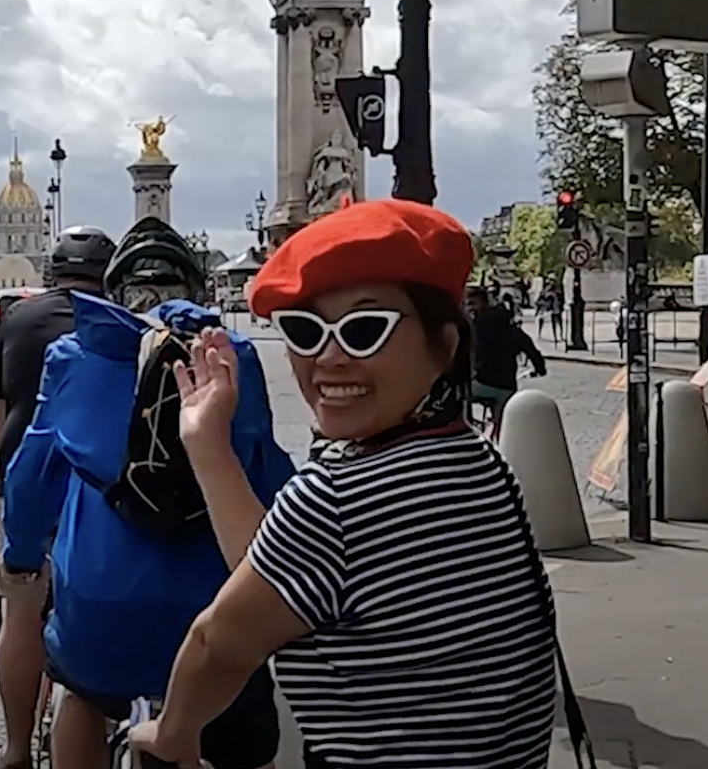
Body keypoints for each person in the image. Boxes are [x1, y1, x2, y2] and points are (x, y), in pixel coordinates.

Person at [124, 200, 582, 769]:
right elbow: (280, 578)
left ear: (445, 344)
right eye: (304, 329)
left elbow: (220, 641)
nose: (330, 358)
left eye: (366, 329)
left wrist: (173, 733)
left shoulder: (338, 496)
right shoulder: (476, 460)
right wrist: (208, 446)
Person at [0, 217, 295, 769]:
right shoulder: (233, 357)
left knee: (83, 695)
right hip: (211, 604)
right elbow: (265, 468)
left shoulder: (74, 355)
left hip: (99, 596)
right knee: (239, 721)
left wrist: (20, 557)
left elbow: (33, 470)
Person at [0, 225, 117, 769]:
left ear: (51, 272)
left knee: (22, 613)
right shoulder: (122, 325)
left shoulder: (16, 319)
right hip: (98, 485)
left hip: (29, 477)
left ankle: (16, 747)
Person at [467, 286, 547, 435]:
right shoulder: (514, 331)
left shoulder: (475, 327)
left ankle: (466, 429)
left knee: (459, 394)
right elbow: (533, 352)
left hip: (480, 383)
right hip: (507, 387)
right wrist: (540, 369)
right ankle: (499, 435)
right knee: (502, 418)